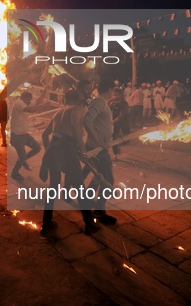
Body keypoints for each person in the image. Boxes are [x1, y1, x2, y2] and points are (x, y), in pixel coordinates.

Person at [40, 90, 100, 236]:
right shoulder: (77, 109)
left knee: (53, 188)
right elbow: (76, 131)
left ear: (66, 99)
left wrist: (51, 150)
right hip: (67, 149)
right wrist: (83, 151)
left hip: (53, 150)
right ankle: (89, 224)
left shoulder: (58, 113)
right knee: (80, 187)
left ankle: (46, 225)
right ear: (78, 99)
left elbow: (44, 135)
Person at [82, 78, 117, 225]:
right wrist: (98, 141)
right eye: (114, 90)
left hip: (97, 148)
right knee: (108, 181)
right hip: (97, 149)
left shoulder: (101, 102)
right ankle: (99, 211)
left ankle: (87, 202)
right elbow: (87, 120)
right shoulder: (99, 102)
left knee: (98, 177)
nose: (114, 92)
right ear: (109, 90)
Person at [9, 91, 43, 181]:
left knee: (37, 148)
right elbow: (31, 110)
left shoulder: (25, 103)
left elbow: (37, 102)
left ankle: (22, 160)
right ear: (23, 98)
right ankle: (14, 173)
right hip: (17, 136)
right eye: (28, 100)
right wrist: (45, 106)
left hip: (25, 135)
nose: (30, 101)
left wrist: (45, 91)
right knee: (22, 156)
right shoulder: (19, 103)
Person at [109, 87, 130, 160]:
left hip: (123, 124)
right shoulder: (111, 103)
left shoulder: (124, 104)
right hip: (114, 125)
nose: (115, 96)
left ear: (120, 95)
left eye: (117, 95)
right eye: (114, 95)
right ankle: (115, 155)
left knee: (126, 140)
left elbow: (121, 116)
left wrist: (112, 122)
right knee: (114, 139)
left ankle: (119, 149)